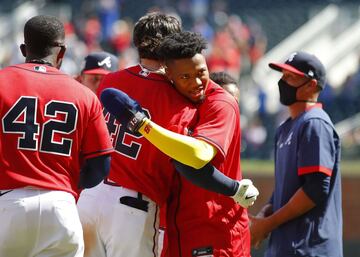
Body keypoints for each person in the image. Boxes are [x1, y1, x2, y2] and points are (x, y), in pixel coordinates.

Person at [101, 31, 256, 257]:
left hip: (215, 228)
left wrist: (143, 125)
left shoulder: (221, 103)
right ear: (168, 76)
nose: (196, 82)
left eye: (201, 72)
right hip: (177, 228)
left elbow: (197, 156)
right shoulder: (174, 102)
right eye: (185, 77)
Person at [0, 15, 113, 257]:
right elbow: (100, 165)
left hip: (7, 204)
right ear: (61, 52)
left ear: (23, 49)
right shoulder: (83, 95)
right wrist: (65, 186)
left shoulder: (1, 82)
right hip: (61, 206)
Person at [249, 51, 343, 257]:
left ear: (311, 84)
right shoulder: (285, 128)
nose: (283, 82)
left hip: (310, 248)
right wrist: (265, 214)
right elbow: (286, 185)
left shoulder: (315, 123)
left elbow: (316, 188)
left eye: (291, 77)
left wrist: (267, 225)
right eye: (283, 75)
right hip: (287, 247)